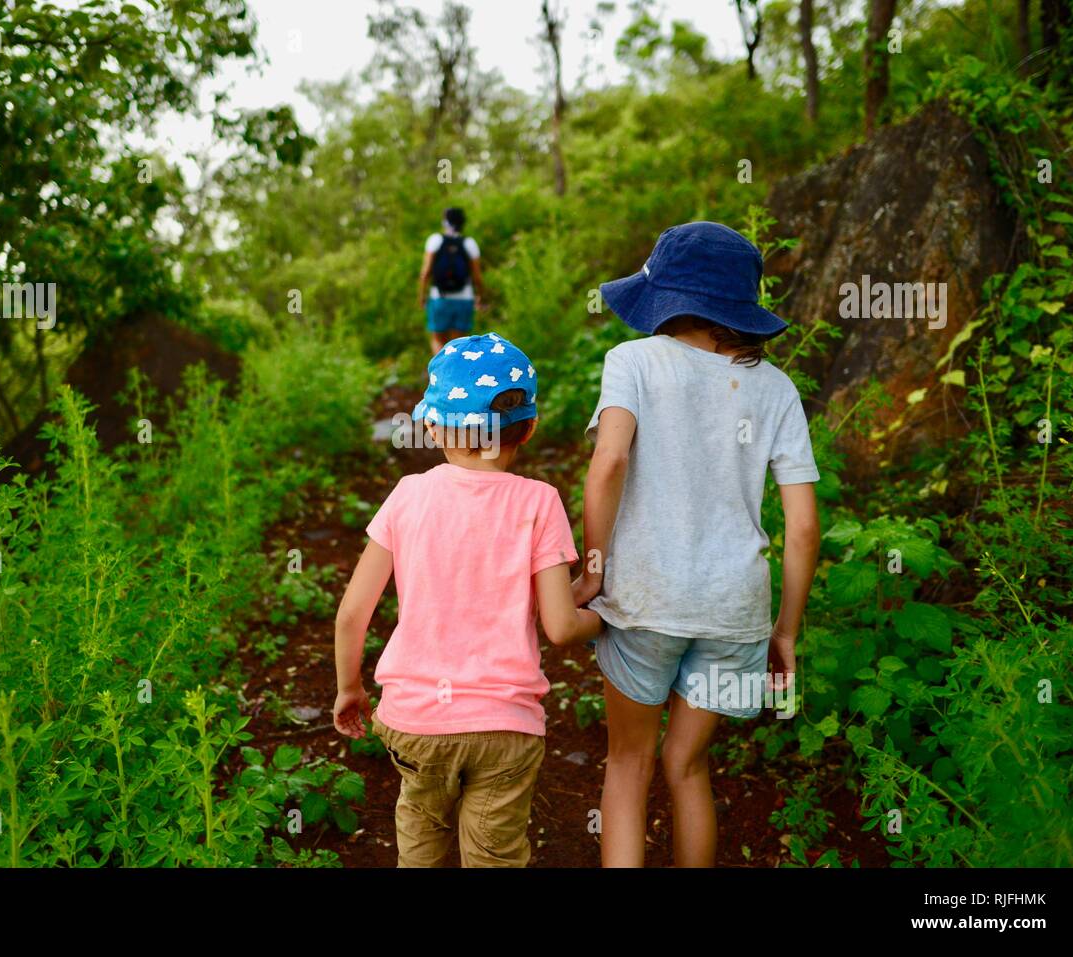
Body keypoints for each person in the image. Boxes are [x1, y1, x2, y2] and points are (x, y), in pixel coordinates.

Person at [572, 221, 821, 868]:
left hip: (645, 598)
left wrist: (592, 570)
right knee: (688, 766)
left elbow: (608, 465)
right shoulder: (778, 389)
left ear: (667, 299)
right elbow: (801, 527)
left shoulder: (632, 361)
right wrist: (784, 631)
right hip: (737, 610)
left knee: (628, 763)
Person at [332, 333, 601, 867]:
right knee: (494, 856)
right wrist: (603, 617)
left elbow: (351, 615)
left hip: (415, 724)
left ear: (431, 427)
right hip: (505, 728)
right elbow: (561, 627)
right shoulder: (539, 502)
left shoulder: (407, 495)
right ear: (528, 428)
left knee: (421, 840)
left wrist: (350, 688)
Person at [418, 207, 484, 354]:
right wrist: (481, 296)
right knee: (460, 344)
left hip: (439, 297)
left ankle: (441, 375)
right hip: (465, 298)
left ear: (445, 222)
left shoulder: (435, 240)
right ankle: (458, 375)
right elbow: (477, 277)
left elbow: (426, 272)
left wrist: (422, 295)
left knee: (438, 340)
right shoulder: (469, 243)